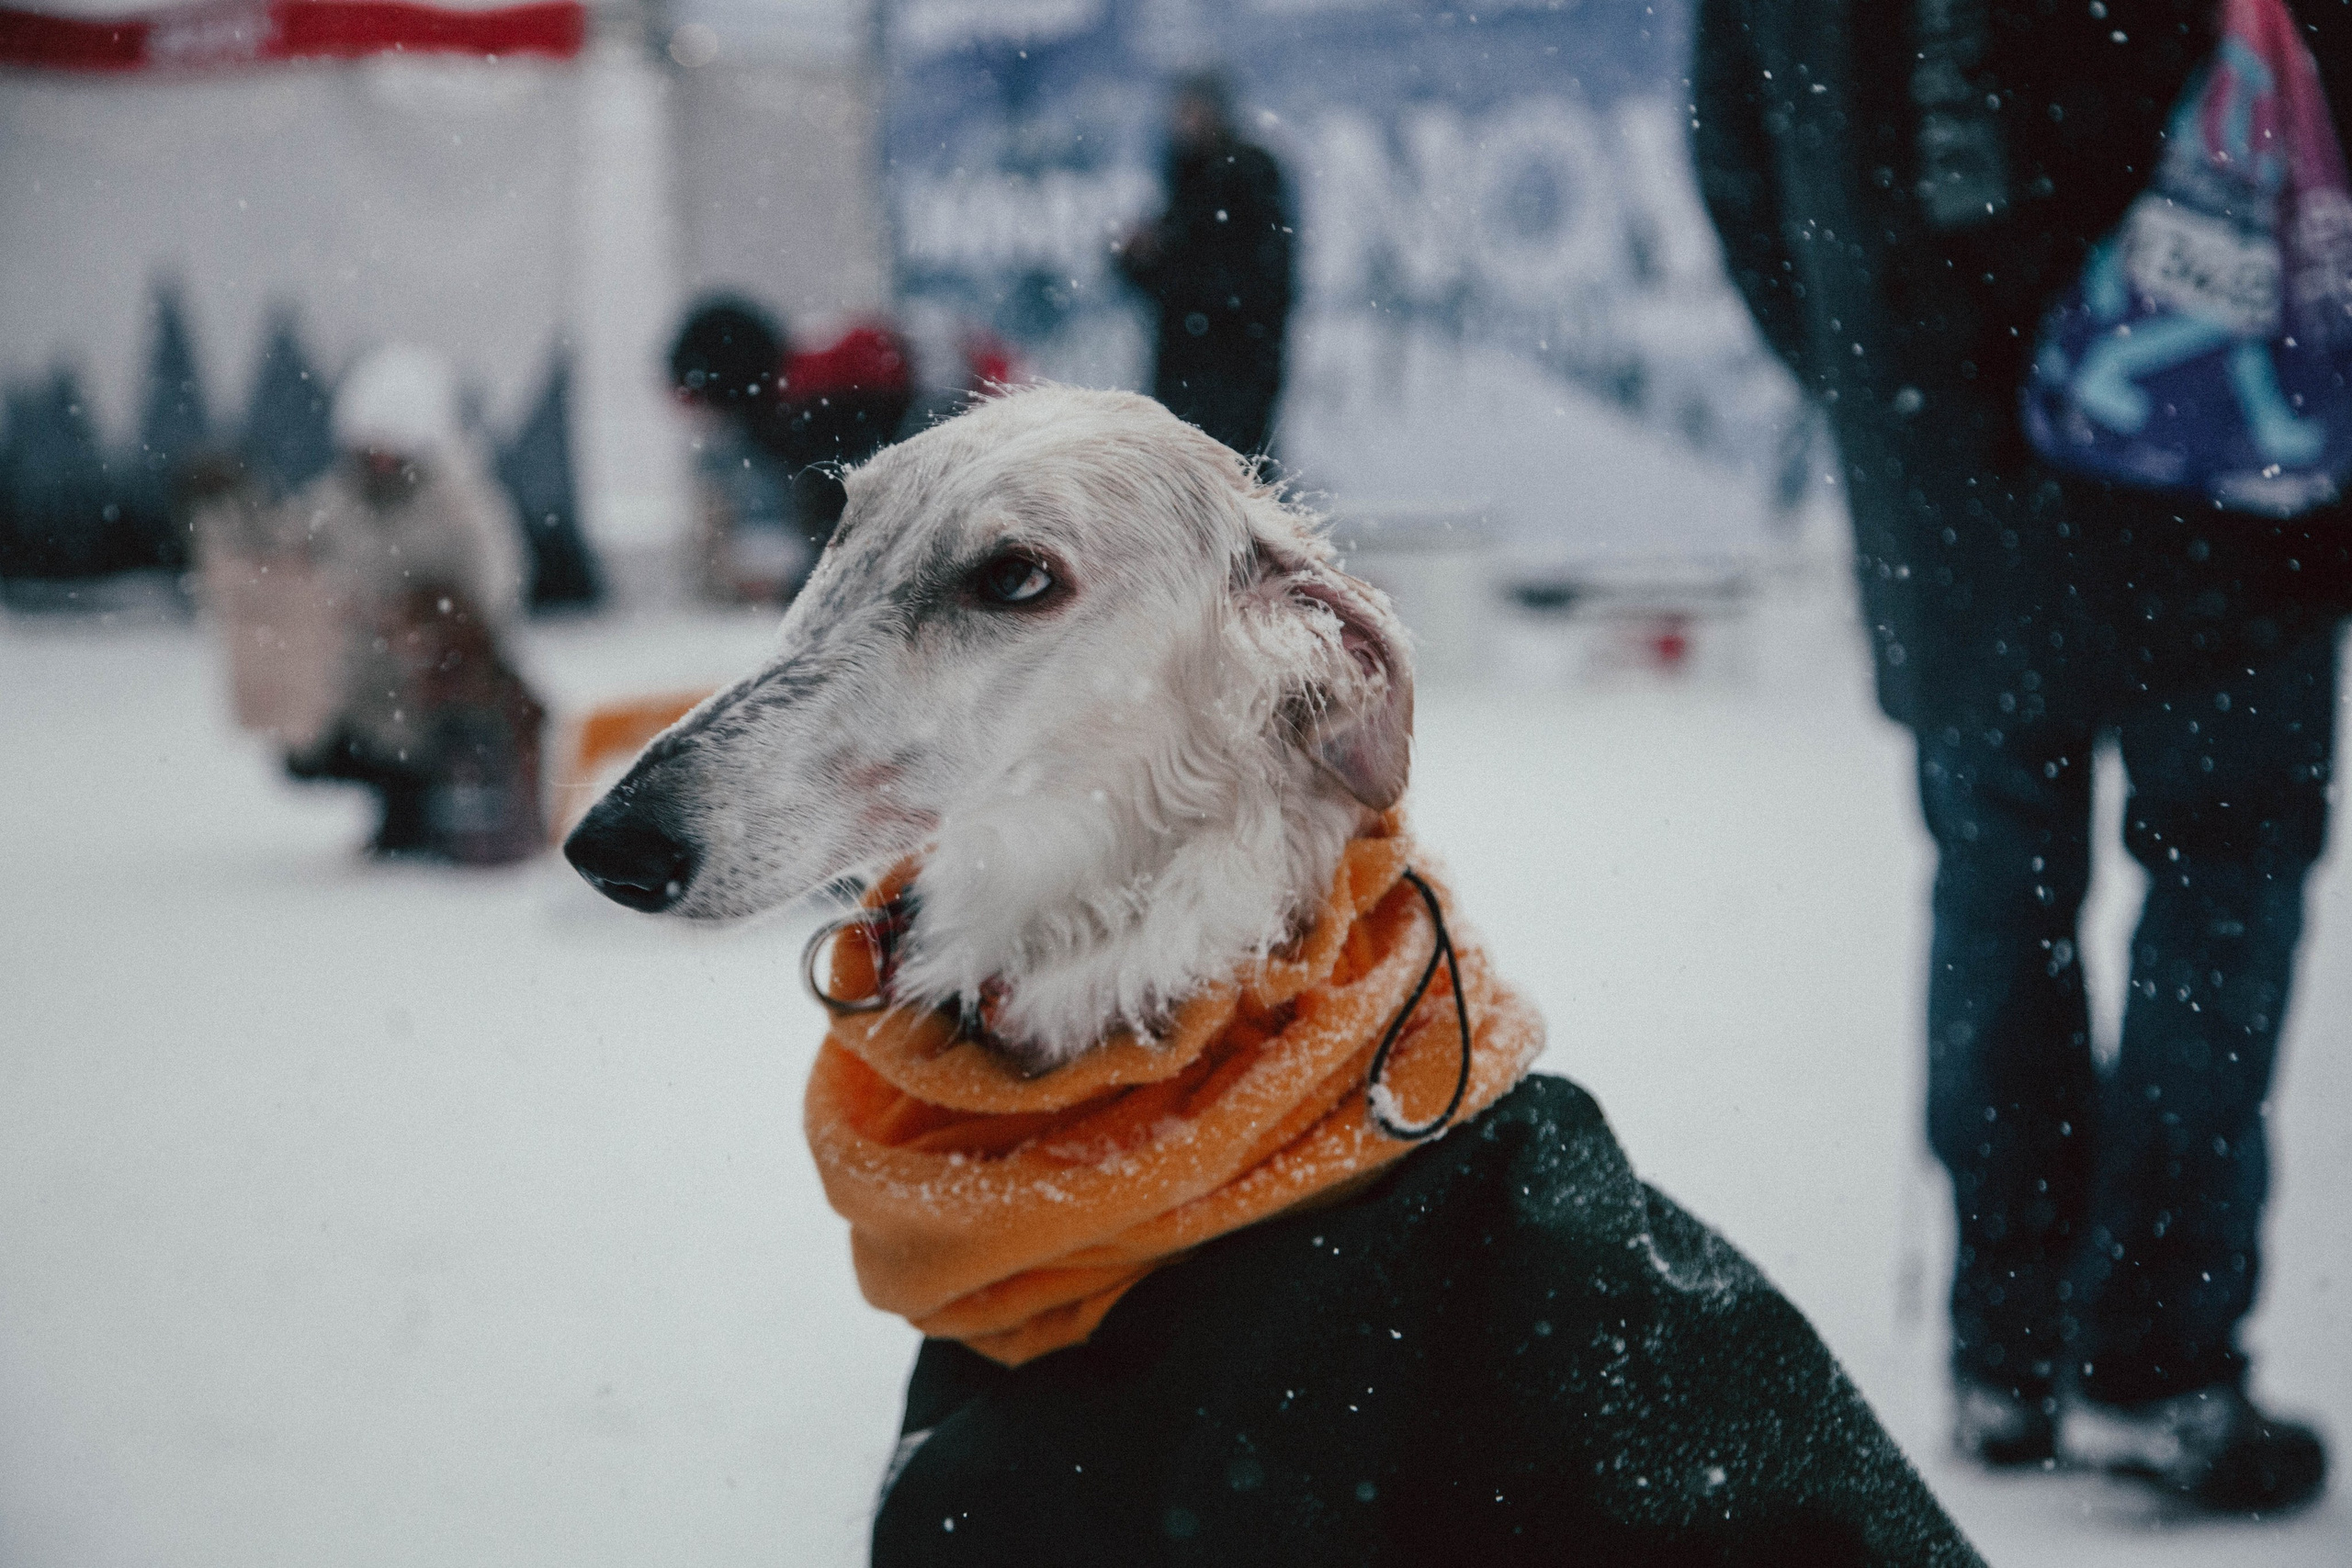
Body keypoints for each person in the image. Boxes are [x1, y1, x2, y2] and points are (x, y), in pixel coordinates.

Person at [1693, 0, 2350, 1514]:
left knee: (2001, 885)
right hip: (2215, 448)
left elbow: (1740, 163)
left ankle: (2015, 1347)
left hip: (1951, 472)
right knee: (2225, 870)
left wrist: (1884, 374)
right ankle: (2154, 1358)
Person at [282, 343, 542, 863]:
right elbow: (278, 558)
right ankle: (400, 807)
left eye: (392, 446)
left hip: (437, 677)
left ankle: (450, 814)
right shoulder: (332, 501)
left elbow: (497, 590)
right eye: (369, 446)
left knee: (458, 727)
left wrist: (430, 615)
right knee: (309, 740)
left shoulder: (461, 502)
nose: (380, 459)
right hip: (359, 678)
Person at [669, 297, 913, 602]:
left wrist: (793, 588)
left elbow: (850, 534)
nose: (708, 423)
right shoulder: (798, 393)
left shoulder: (810, 412)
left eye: (704, 404)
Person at [1115, 70, 1295, 457]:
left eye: (1192, 110)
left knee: (1233, 467)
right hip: (1190, 362)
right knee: (1193, 467)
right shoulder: (1185, 177)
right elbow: (1175, 279)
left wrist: (1164, 260)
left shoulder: (1246, 173)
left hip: (1236, 362)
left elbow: (1253, 276)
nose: (1182, 122)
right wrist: (1136, 259)